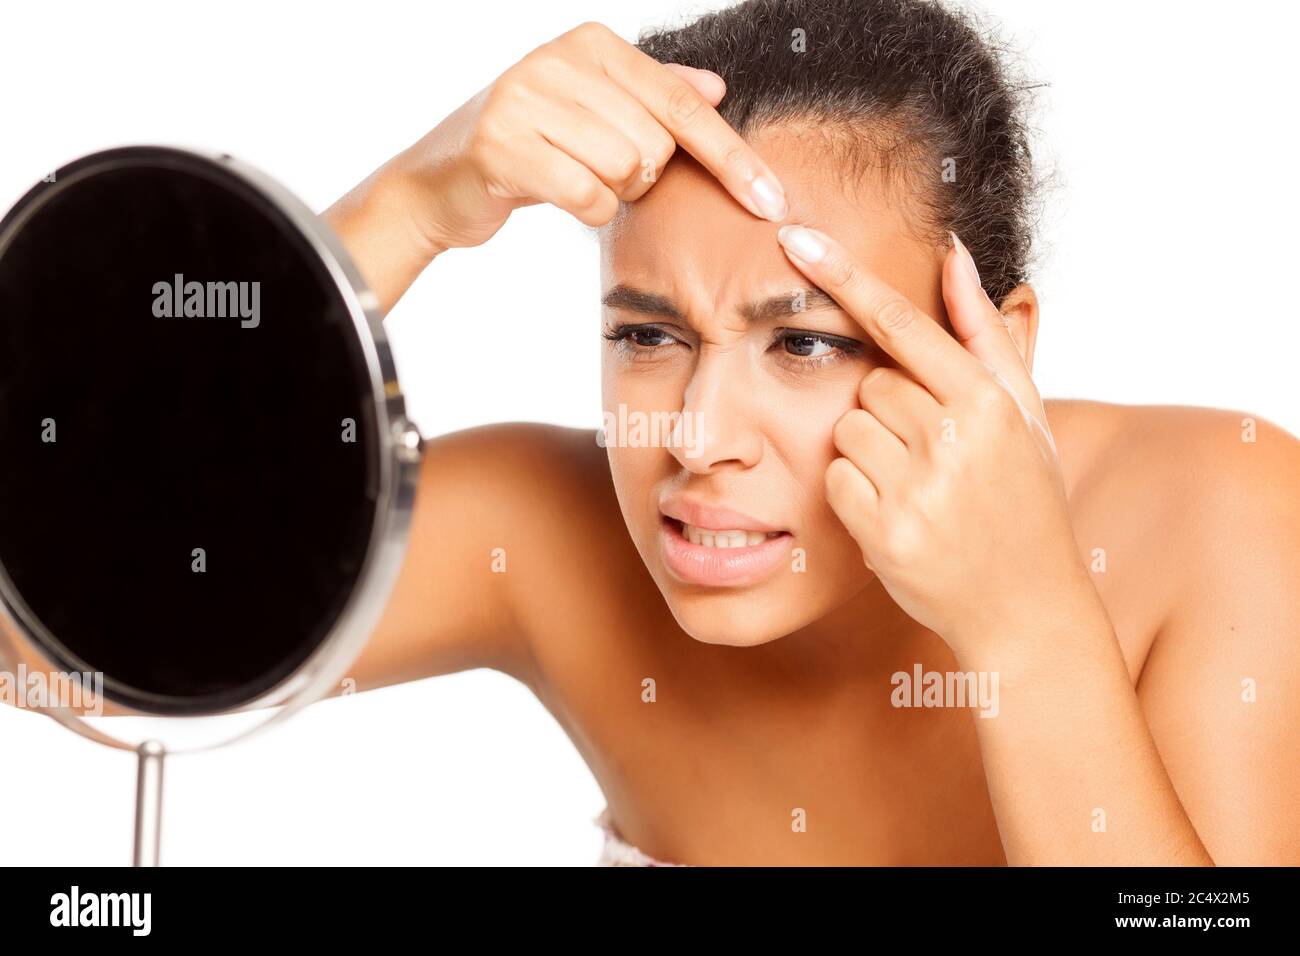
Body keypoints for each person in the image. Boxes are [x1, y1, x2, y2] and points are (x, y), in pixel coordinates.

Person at [320, 0, 1299, 865]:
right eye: (647, 333)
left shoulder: (1218, 512)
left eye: (804, 343)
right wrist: (403, 211)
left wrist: (1027, 628)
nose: (697, 438)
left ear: (998, 353)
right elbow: (171, 603)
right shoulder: (539, 528)